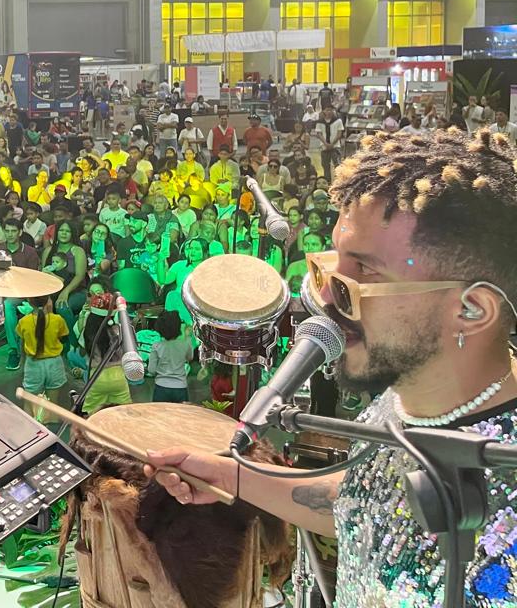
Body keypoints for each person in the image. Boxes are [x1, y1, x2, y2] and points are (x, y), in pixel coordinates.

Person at [146, 127, 517, 606]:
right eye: (328, 268)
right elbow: (367, 500)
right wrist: (233, 478)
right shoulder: (398, 401)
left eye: (359, 279)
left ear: (472, 310)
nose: (322, 299)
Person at [0, 216, 42, 371]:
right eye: (7, 231)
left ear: (20, 232)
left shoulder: (30, 252)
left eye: (13, 231)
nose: (10, 234)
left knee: (7, 305)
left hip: (19, 291)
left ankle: (13, 350)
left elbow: (31, 279)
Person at [16, 294, 68, 421]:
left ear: (29, 301)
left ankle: (30, 430)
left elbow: (22, 344)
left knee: (29, 402)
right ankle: (51, 432)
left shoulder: (24, 321)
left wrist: (22, 362)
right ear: (48, 301)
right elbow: (64, 338)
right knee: (53, 404)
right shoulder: (57, 319)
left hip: (33, 364)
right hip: (54, 364)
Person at [147, 310, 191, 403]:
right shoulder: (185, 343)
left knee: (160, 417)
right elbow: (190, 358)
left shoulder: (156, 346)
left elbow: (151, 370)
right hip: (180, 387)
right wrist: (187, 337)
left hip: (161, 388)